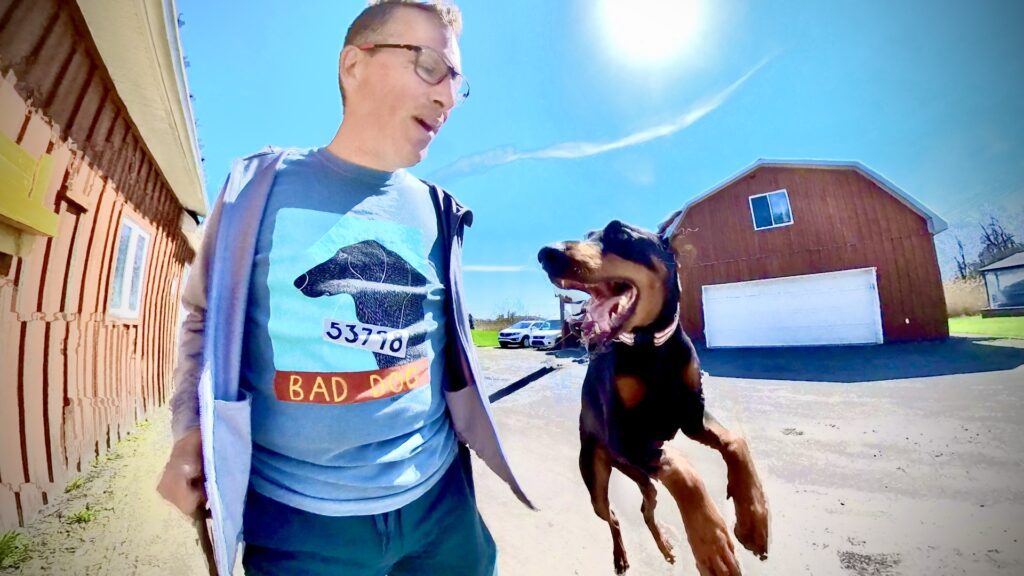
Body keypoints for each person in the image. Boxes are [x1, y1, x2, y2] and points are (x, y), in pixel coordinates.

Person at [156, 2, 532, 574]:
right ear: (354, 64)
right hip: (297, 528)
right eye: (430, 66)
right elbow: (202, 320)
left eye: (457, 82)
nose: (448, 99)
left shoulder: (439, 212)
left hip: (439, 506)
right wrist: (189, 432)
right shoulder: (255, 190)